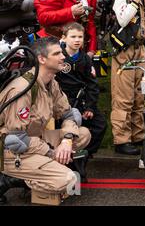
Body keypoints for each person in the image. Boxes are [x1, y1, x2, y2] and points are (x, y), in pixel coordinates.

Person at [0, 37, 91, 203]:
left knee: (83, 133)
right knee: (70, 181)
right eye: (57, 53)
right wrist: (51, 152)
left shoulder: (51, 82)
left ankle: (45, 168)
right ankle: (9, 179)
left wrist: (67, 141)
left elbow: (68, 115)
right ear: (41, 59)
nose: (63, 56)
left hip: (36, 141)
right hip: (13, 151)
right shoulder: (22, 88)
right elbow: (16, 140)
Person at [110, 0, 145, 155]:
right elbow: (122, 19)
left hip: (141, 49)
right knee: (123, 98)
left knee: (138, 96)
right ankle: (121, 140)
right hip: (124, 51)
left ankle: (138, 136)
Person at [55, 22, 106, 181]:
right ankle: (67, 162)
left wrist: (90, 107)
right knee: (66, 128)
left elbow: (92, 85)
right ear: (64, 38)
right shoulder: (58, 56)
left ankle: (84, 155)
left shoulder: (85, 59)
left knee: (100, 125)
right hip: (63, 101)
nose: (77, 40)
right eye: (73, 37)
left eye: (80, 37)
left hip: (82, 100)